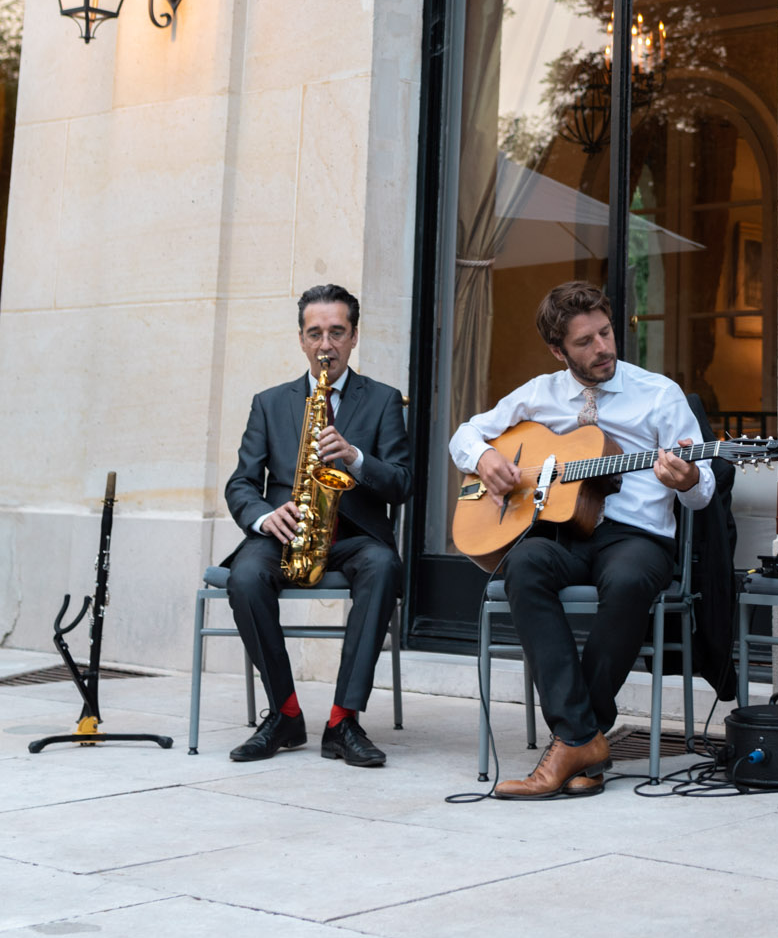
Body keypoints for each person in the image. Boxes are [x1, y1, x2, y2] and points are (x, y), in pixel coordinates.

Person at [450, 279, 714, 799]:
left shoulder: (659, 394)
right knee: (524, 568)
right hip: (564, 531)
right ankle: (582, 738)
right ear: (557, 350)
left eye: (606, 333)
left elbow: (702, 489)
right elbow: (466, 433)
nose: (603, 349)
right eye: (585, 342)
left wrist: (686, 482)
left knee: (630, 579)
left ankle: (574, 735)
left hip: (636, 538)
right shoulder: (537, 394)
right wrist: (484, 459)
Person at [223, 286, 412, 768]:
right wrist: (266, 516)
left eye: (336, 332)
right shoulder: (269, 403)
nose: (326, 345)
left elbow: (401, 483)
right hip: (289, 531)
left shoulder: (385, 400)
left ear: (353, 337)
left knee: (385, 566)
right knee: (244, 577)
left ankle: (342, 720)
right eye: (315, 334)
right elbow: (242, 482)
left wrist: (356, 457)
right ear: (301, 340)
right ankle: (285, 713)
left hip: (354, 537)